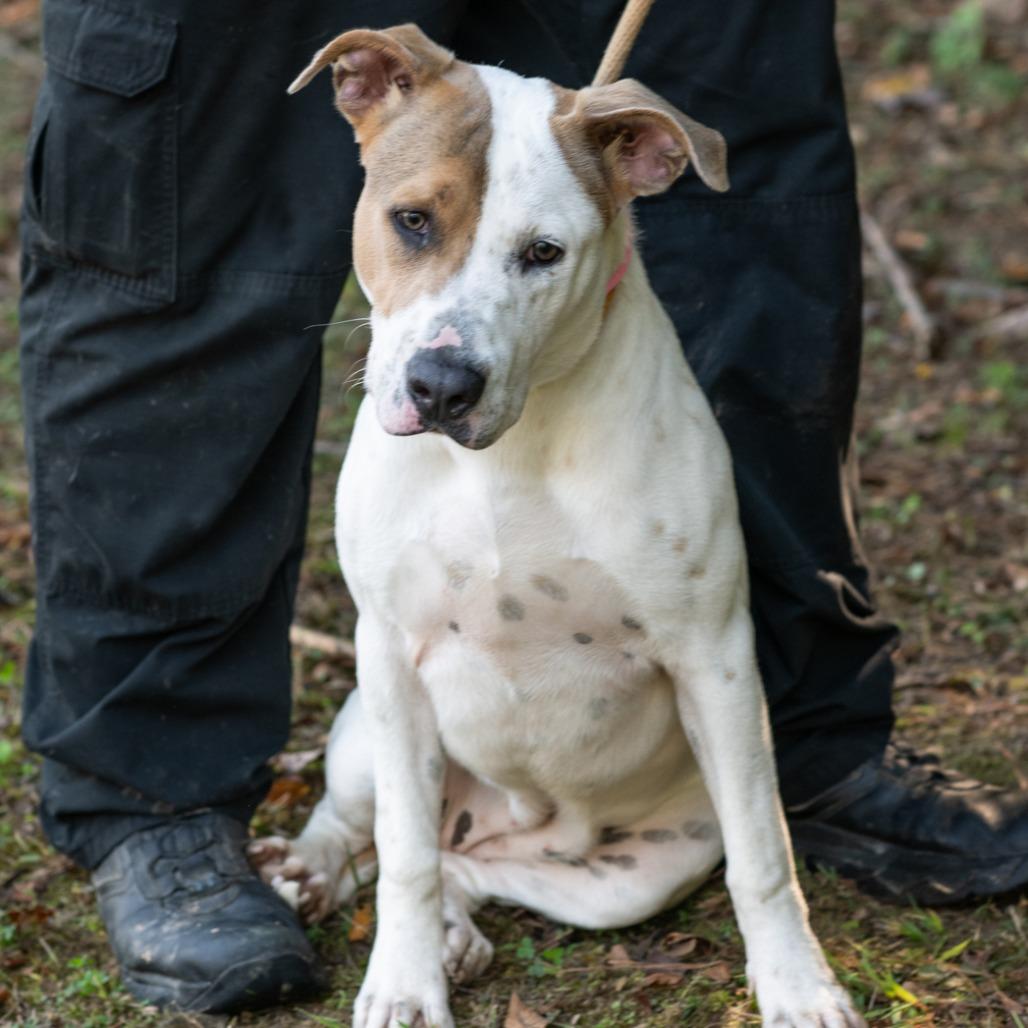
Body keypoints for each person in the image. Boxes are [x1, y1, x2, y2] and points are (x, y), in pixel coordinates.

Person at [18, 0, 1028, 1014]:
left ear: (644, 161)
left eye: (534, 254)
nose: (454, 348)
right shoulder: (396, 171)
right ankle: (168, 798)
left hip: (634, 590)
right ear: (357, 87)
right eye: (415, 226)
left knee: (737, 115)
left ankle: (812, 738)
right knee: (180, 175)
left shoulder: (613, 180)